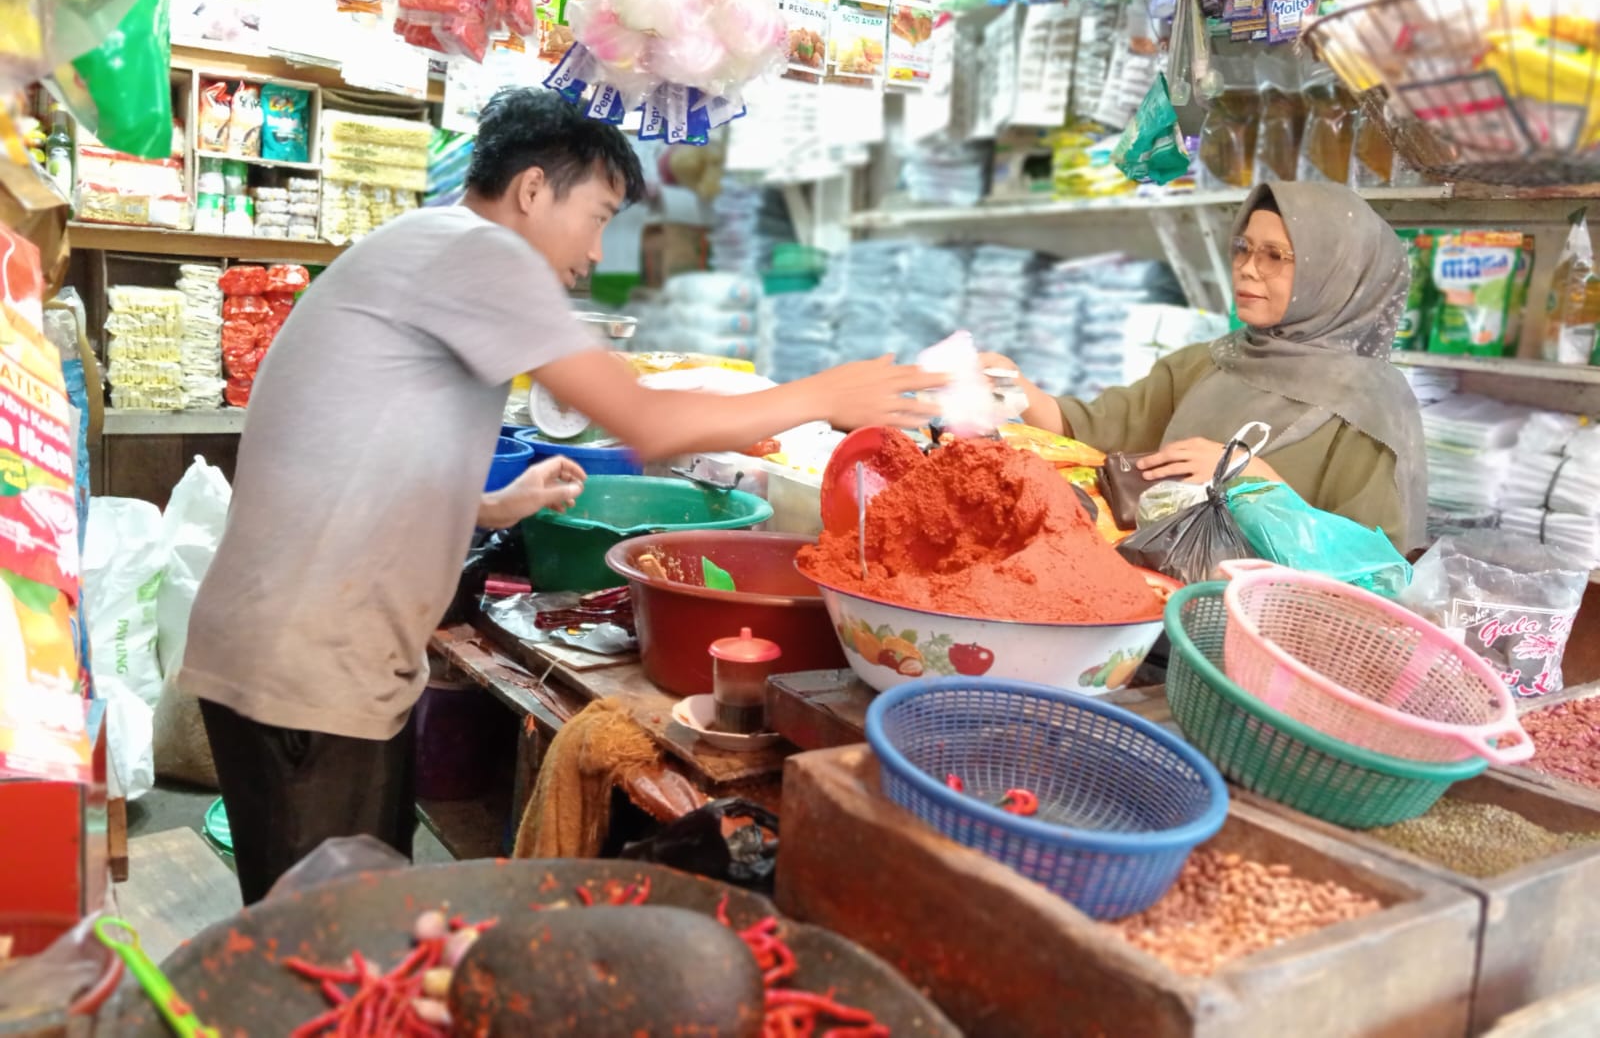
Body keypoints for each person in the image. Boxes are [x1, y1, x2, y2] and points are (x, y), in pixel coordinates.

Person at [179, 88, 943, 904]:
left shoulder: (428, 248)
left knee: (342, 933)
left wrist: (500, 503)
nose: (597, 251)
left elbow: (359, 452)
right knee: (327, 957)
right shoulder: (481, 251)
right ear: (533, 190)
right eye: (600, 214)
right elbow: (645, 419)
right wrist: (824, 394)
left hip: (304, 658)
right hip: (312, 673)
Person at [988, 181, 1426, 550]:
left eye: (1275, 256)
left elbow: (1376, 564)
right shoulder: (1211, 364)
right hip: (1157, 605)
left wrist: (1254, 482)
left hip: (1266, 627)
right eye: (1243, 248)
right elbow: (1087, 432)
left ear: (1336, 274)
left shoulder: (1369, 408)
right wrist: (1015, 387)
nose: (1248, 270)